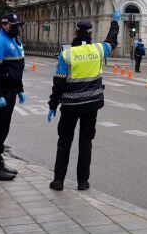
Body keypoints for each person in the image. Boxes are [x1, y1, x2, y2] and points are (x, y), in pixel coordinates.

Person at [46, 12, 120, 191]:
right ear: (91, 33)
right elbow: (112, 41)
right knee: (86, 143)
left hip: (70, 106)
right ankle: (82, 182)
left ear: (76, 33)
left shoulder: (66, 53)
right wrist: (115, 23)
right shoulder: (98, 50)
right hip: (91, 105)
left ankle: (58, 181)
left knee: (64, 142)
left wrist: (53, 105)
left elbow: (59, 82)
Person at [0, 12, 26, 181]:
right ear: (4, 25)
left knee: (4, 129)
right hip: (1, 93)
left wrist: (20, 89)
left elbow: (18, 69)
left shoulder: (15, 41)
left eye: (18, 26)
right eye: (14, 26)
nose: (17, 29)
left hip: (11, 91)